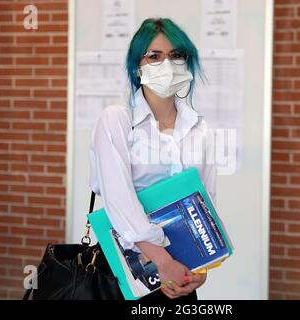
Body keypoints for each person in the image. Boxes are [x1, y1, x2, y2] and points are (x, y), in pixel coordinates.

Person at [89, 18, 217, 300]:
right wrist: (162, 261)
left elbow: (205, 200)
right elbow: (118, 199)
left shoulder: (200, 128)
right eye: (155, 56)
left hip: (182, 271)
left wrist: (202, 265)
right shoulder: (117, 120)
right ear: (138, 66)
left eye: (176, 55)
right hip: (129, 273)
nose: (167, 65)